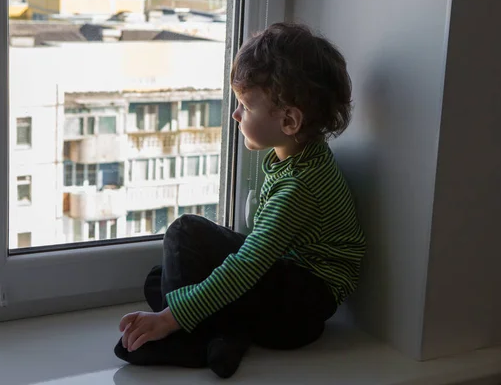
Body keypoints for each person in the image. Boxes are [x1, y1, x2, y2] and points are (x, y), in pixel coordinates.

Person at [114, 22, 366, 379]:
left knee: (184, 232)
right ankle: (225, 336)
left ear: (289, 120)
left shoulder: (299, 188)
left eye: (245, 105)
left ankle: (190, 341)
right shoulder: (300, 158)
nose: (235, 115)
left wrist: (169, 318)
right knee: (159, 279)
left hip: (299, 307)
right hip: (294, 309)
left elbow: (249, 263)